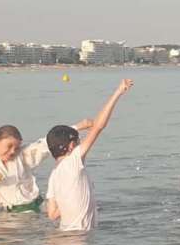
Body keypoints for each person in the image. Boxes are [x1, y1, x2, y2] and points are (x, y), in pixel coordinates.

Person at [46, 79, 134, 231]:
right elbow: (99, 127)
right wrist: (117, 93)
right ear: (72, 146)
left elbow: (52, 214)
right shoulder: (73, 161)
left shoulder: (54, 176)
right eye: (79, 142)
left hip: (64, 234)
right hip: (78, 238)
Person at [0, 120, 92, 212]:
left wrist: (78, 126)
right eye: (9, 146)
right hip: (13, 215)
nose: (12, 151)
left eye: (16, 147)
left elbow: (49, 141)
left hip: (39, 206)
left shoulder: (21, 155)